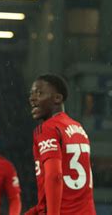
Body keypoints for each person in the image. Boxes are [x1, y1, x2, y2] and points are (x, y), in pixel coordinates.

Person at [26, 74, 96, 215]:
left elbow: (55, 176)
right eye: (31, 94)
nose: (32, 98)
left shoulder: (48, 128)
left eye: (39, 93)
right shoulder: (79, 129)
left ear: (57, 98)